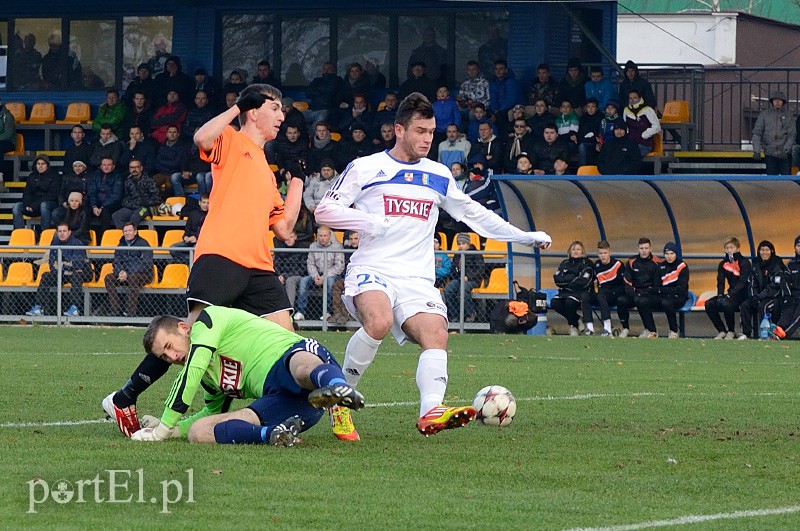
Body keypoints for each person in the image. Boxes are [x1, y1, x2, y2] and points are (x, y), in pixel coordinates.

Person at [314, 92, 552, 439]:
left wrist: (524, 235)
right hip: (374, 267)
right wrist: (369, 223)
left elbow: (475, 214)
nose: (428, 139)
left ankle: (430, 412)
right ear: (399, 129)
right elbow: (324, 211)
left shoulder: (438, 175)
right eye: (421, 131)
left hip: (416, 277)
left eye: (432, 132)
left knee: (436, 335)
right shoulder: (366, 167)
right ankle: (340, 400)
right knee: (378, 322)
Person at [102, 83, 306, 438]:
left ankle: (275, 416)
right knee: (193, 338)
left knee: (288, 345)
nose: (282, 115)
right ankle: (125, 398)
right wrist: (236, 107)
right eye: (275, 108)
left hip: (259, 266)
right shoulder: (231, 139)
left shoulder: (265, 167)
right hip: (220, 255)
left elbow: (286, 228)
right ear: (255, 110)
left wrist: (300, 178)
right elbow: (200, 137)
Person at [129, 306, 365, 445]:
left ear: (183, 327)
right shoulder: (207, 376)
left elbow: (191, 372)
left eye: (169, 346)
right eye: (164, 357)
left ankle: (337, 389)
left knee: (301, 369)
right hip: (290, 403)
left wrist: (161, 431)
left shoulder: (207, 321)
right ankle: (273, 435)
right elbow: (213, 411)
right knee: (198, 432)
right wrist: (172, 429)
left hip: (292, 356)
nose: (171, 356)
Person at [25, 223, 91, 318]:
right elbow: (52, 263)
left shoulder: (77, 244)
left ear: (69, 232)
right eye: (60, 231)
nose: (62, 233)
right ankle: (39, 307)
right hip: (63, 273)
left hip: (82, 273)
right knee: (46, 275)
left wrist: (62, 265)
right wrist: (66, 266)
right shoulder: (54, 243)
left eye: (64, 231)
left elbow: (78, 265)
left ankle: (75, 308)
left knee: (76, 275)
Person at [102, 222, 154, 317]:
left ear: (135, 232)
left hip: (143, 274)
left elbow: (146, 263)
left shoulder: (143, 243)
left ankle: (130, 313)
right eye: (125, 231)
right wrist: (120, 272)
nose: (127, 233)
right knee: (108, 278)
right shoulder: (120, 244)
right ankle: (115, 309)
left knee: (133, 277)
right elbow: (116, 261)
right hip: (124, 273)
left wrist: (128, 272)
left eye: (130, 230)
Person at [294, 225, 345, 321]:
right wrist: (315, 276)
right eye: (320, 236)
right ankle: (300, 311)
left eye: (325, 236)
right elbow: (310, 264)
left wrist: (324, 277)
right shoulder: (313, 246)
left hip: (332, 275)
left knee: (330, 282)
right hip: (316, 274)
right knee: (304, 281)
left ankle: (328, 312)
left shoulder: (338, 246)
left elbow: (339, 267)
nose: (322, 238)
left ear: (330, 235)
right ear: (317, 236)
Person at [705, 237, 752, 340]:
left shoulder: (744, 262)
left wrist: (730, 295)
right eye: (727, 248)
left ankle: (731, 331)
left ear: (737, 248)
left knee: (727, 303)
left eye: (731, 247)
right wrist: (720, 295)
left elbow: (743, 283)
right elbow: (720, 282)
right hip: (731, 294)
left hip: (742, 295)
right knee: (709, 304)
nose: (729, 250)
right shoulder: (723, 264)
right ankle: (722, 330)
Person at [738, 240, 784, 339]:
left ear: (771, 251)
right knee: (744, 305)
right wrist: (753, 296)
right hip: (758, 296)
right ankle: (746, 333)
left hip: (774, 297)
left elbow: (775, 286)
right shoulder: (755, 264)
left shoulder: (777, 264)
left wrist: (760, 297)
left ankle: (766, 334)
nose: (764, 253)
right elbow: (751, 282)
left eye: (767, 250)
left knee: (764, 306)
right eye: (762, 250)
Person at [618, 237, 662, 338]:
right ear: (638, 248)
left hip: (650, 294)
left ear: (651, 248)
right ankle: (625, 328)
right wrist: (633, 292)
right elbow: (627, 280)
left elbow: (657, 284)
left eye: (646, 248)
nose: (644, 251)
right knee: (621, 300)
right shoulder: (632, 261)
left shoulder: (657, 262)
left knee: (641, 300)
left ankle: (651, 330)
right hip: (634, 293)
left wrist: (645, 292)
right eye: (641, 248)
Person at [550, 241, 595, 336]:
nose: (575, 251)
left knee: (569, 302)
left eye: (578, 249)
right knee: (554, 302)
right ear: (570, 251)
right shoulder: (564, 263)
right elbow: (557, 279)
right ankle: (577, 319)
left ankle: (573, 326)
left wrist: (566, 281)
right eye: (573, 249)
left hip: (581, 293)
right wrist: (572, 280)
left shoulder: (587, 263)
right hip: (564, 293)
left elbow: (583, 282)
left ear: (582, 252)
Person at [443, 232, 485, 323]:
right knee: (448, 290)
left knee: (464, 289)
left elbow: (480, 269)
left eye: (463, 243)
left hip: (473, 280)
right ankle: (454, 315)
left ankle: (470, 313)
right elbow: (453, 269)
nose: (461, 246)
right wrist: (456, 276)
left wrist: (468, 277)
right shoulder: (457, 254)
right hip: (459, 279)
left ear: (468, 243)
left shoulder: (476, 254)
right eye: (459, 244)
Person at [751, 92, 795, 175]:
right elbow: (757, 133)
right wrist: (757, 150)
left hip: (784, 154)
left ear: (783, 102)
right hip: (769, 153)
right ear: (772, 102)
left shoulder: (789, 116)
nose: (777, 102)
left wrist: (786, 150)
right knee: (771, 180)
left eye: (780, 100)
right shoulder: (764, 115)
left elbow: (792, 134)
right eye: (775, 100)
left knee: (787, 181)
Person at [13, 155, 61, 230]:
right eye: (38, 164)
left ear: (47, 165)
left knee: (44, 205)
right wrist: (28, 205)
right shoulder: (31, 176)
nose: (40, 166)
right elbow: (27, 193)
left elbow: (52, 195)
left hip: (49, 204)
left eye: (43, 164)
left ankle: (44, 234)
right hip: (32, 206)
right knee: (16, 207)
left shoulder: (55, 176)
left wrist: (34, 205)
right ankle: (20, 233)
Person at [112, 160, 161, 229]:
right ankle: (125, 234)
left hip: (145, 208)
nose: (134, 169)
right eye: (132, 167)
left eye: (136, 167)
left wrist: (142, 204)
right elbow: (125, 199)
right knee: (116, 215)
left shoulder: (149, 181)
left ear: (141, 168)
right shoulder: (128, 182)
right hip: (132, 208)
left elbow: (157, 198)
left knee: (136, 216)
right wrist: (132, 205)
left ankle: (132, 234)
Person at [655, 242, 690, 339]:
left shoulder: (682, 266)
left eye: (672, 253)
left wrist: (663, 291)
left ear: (676, 254)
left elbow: (681, 288)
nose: (669, 256)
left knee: (667, 302)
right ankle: (651, 330)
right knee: (642, 301)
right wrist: (662, 291)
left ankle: (674, 330)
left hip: (679, 297)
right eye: (667, 254)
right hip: (663, 296)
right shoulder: (660, 267)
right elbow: (656, 286)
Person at [593, 240, 627, 337]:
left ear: (610, 253)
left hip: (617, 293)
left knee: (602, 296)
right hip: (604, 294)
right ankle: (591, 328)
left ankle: (622, 328)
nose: (603, 255)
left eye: (605, 253)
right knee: (588, 297)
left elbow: (623, 283)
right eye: (600, 253)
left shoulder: (618, 265)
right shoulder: (597, 265)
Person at [87, 157, 124, 236]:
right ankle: (86, 236)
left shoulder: (118, 176)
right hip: (96, 204)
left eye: (109, 165)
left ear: (113, 166)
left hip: (111, 205)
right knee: (85, 209)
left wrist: (102, 207)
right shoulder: (95, 175)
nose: (106, 167)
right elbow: (92, 191)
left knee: (105, 212)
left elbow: (116, 196)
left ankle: (103, 237)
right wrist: (94, 206)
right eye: (104, 165)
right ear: (101, 166)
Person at [330, 231, 360, 326]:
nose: (353, 241)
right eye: (351, 239)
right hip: (348, 278)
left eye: (356, 239)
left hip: (361, 279)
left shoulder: (365, 250)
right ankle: (338, 313)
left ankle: (346, 315)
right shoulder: (346, 250)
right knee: (336, 285)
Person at [773, 235, 800, 340]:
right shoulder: (791, 264)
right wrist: (788, 295)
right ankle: (778, 329)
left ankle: (785, 334)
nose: (799, 248)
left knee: (798, 314)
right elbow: (785, 281)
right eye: (798, 245)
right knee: (787, 311)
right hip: (793, 296)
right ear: (794, 247)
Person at [169, 194, 208, 263]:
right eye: (204, 202)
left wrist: (196, 238)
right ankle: (187, 263)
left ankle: (192, 264)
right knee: (173, 248)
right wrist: (185, 237)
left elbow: (208, 231)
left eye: (208, 203)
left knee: (195, 249)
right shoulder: (193, 214)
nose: (205, 205)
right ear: (199, 203)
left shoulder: (211, 215)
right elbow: (187, 228)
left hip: (202, 241)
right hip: (190, 240)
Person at [623, 89, 661, 156]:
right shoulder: (626, 110)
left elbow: (657, 127)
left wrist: (645, 134)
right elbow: (625, 127)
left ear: (640, 98)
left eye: (634, 98)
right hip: (630, 143)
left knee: (630, 156)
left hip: (645, 144)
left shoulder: (648, 109)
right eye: (630, 98)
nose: (632, 100)